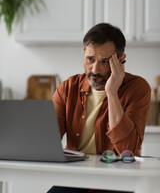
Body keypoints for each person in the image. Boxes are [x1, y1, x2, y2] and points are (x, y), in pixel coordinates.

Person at [47, 23, 151, 193]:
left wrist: (111, 93)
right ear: (83, 54)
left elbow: (128, 150)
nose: (95, 69)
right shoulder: (68, 88)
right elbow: (47, 142)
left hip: (117, 180)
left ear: (120, 59)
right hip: (75, 179)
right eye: (90, 59)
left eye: (104, 62)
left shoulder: (138, 88)